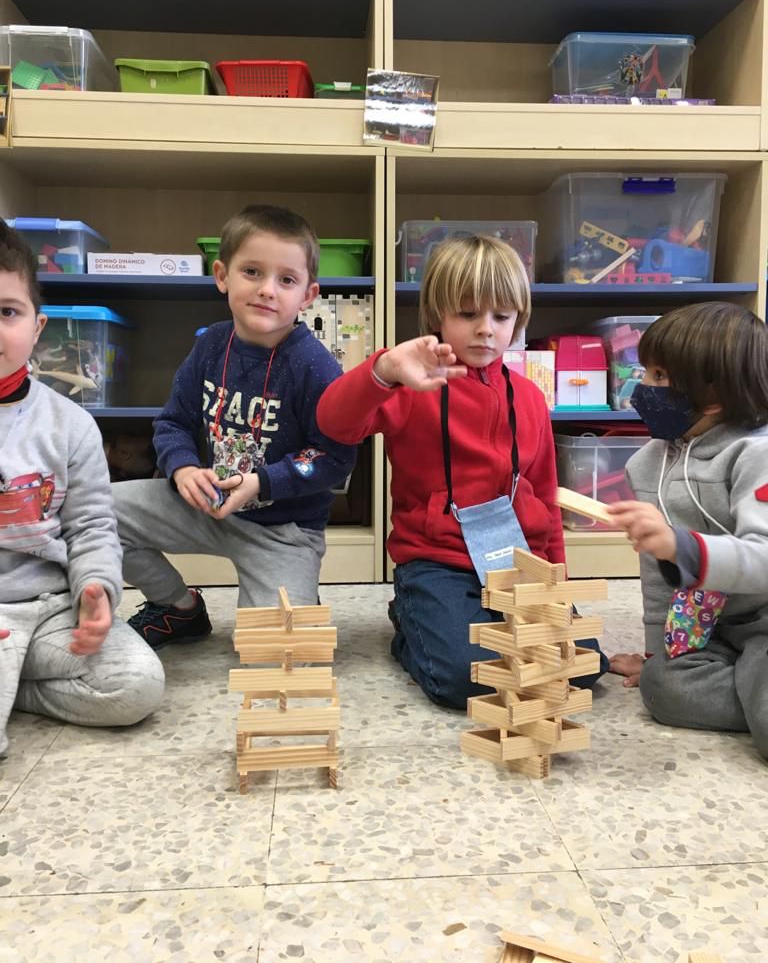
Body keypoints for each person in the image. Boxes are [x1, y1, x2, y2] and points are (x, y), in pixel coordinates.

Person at [317, 235, 607, 709]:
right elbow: (333, 422)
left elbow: (545, 496)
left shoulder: (530, 398)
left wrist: (557, 581)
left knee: (583, 665)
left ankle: (450, 624)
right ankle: (410, 622)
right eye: (468, 314)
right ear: (438, 315)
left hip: (517, 561)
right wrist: (384, 369)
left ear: (519, 319)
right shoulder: (411, 385)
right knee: (466, 678)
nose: (486, 330)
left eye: (502, 316)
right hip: (438, 562)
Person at [113, 205, 356, 649]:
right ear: (223, 276)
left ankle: (292, 594)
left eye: (286, 280)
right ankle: (178, 608)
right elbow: (172, 422)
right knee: (94, 514)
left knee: (278, 658)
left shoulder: (316, 367)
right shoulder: (210, 345)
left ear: (308, 295)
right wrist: (183, 469)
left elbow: (334, 458)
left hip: (282, 531)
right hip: (204, 505)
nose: (267, 290)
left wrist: (263, 482)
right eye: (252, 272)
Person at [0, 221, 164, 758]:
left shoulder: (70, 423)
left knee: (137, 685)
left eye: (7, 312)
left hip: (50, 612)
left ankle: (17, 686)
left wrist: (96, 589)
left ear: (37, 326)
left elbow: (92, 525)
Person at [607, 302, 768, 759]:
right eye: (646, 371)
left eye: (659, 376)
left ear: (713, 394)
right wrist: (654, 654)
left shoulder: (757, 454)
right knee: (661, 687)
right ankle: (751, 686)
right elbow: (657, 577)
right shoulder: (648, 464)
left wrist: (683, 548)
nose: (642, 387)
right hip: (714, 628)